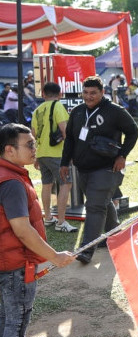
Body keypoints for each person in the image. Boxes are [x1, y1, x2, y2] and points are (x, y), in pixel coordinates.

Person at [0, 123, 75, 337]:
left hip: (5, 261)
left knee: (5, 319)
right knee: (16, 323)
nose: (35, 149)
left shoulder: (7, 174)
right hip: (14, 265)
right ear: (9, 150)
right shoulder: (11, 182)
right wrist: (54, 257)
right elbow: (21, 228)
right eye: (29, 144)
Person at [59, 76, 138, 265]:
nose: (89, 96)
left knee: (94, 206)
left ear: (102, 92)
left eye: (93, 93)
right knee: (102, 202)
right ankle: (116, 235)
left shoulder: (114, 111)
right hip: (83, 168)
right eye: (85, 93)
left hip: (107, 168)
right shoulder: (78, 112)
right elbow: (70, 138)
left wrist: (122, 155)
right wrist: (64, 163)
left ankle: (86, 250)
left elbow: (133, 131)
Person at [30, 83, 76, 233]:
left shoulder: (37, 110)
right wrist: (70, 154)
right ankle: (61, 222)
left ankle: (48, 217)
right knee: (66, 184)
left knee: (47, 184)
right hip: (56, 154)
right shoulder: (58, 106)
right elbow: (65, 131)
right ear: (60, 94)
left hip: (42, 153)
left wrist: (36, 155)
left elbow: (33, 136)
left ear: (43, 94)